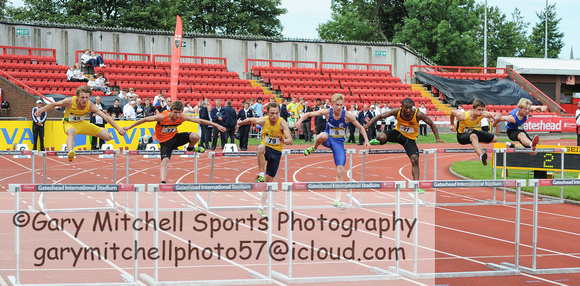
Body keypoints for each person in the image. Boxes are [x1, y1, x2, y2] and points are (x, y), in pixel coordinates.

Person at [296, 93, 370, 210]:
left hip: (338, 144)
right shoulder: (327, 112)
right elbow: (309, 114)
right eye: (337, 105)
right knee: (322, 135)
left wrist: (367, 141)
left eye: (341, 105)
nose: (339, 107)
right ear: (332, 104)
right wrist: (299, 121)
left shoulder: (347, 116)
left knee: (341, 170)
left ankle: (337, 199)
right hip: (328, 139)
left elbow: (360, 127)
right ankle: (314, 148)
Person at [123, 100, 225, 184]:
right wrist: (129, 127)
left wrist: (217, 125)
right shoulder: (162, 117)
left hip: (175, 137)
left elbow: (200, 121)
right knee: (165, 161)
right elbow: (145, 120)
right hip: (165, 141)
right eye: (175, 112)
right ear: (171, 111)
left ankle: (190, 148)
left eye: (180, 112)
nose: (177, 115)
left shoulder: (182, 117)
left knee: (195, 136)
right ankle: (163, 182)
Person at [34, 85, 125, 162]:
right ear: (77, 96)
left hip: (82, 124)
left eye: (86, 97)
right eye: (82, 97)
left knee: (108, 137)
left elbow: (107, 118)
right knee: (71, 133)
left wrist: (118, 128)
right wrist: (40, 110)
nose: (84, 100)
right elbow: (53, 104)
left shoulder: (90, 105)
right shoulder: (70, 101)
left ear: (90, 97)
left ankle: (102, 130)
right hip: (69, 123)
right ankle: (70, 152)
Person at [365, 98, 444, 183]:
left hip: (409, 139)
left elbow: (431, 123)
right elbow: (380, 116)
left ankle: (416, 185)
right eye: (406, 107)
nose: (408, 110)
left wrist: (437, 138)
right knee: (381, 137)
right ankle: (379, 141)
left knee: (415, 159)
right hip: (398, 134)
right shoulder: (396, 111)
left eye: (410, 107)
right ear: (402, 106)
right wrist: (368, 124)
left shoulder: (418, 114)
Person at [237, 102, 293, 217]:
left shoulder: (282, 123)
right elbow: (251, 120)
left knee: (268, 183)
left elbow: (290, 140)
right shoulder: (264, 120)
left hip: (276, 153)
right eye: (272, 113)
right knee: (260, 147)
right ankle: (261, 173)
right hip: (266, 148)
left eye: (277, 113)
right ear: (267, 113)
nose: (275, 116)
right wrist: (241, 122)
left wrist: (283, 140)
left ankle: (261, 207)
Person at [449, 99, 501, 166]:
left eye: (482, 110)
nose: (481, 112)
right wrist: (452, 124)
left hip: (471, 132)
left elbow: (499, 114)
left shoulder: (483, 114)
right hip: (461, 135)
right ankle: (481, 155)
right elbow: (452, 112)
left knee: (495, 138)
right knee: (473, 136)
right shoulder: (463, 115)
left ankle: (474, 143)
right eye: (479, 110)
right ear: (473, 108)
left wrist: (494, 119)